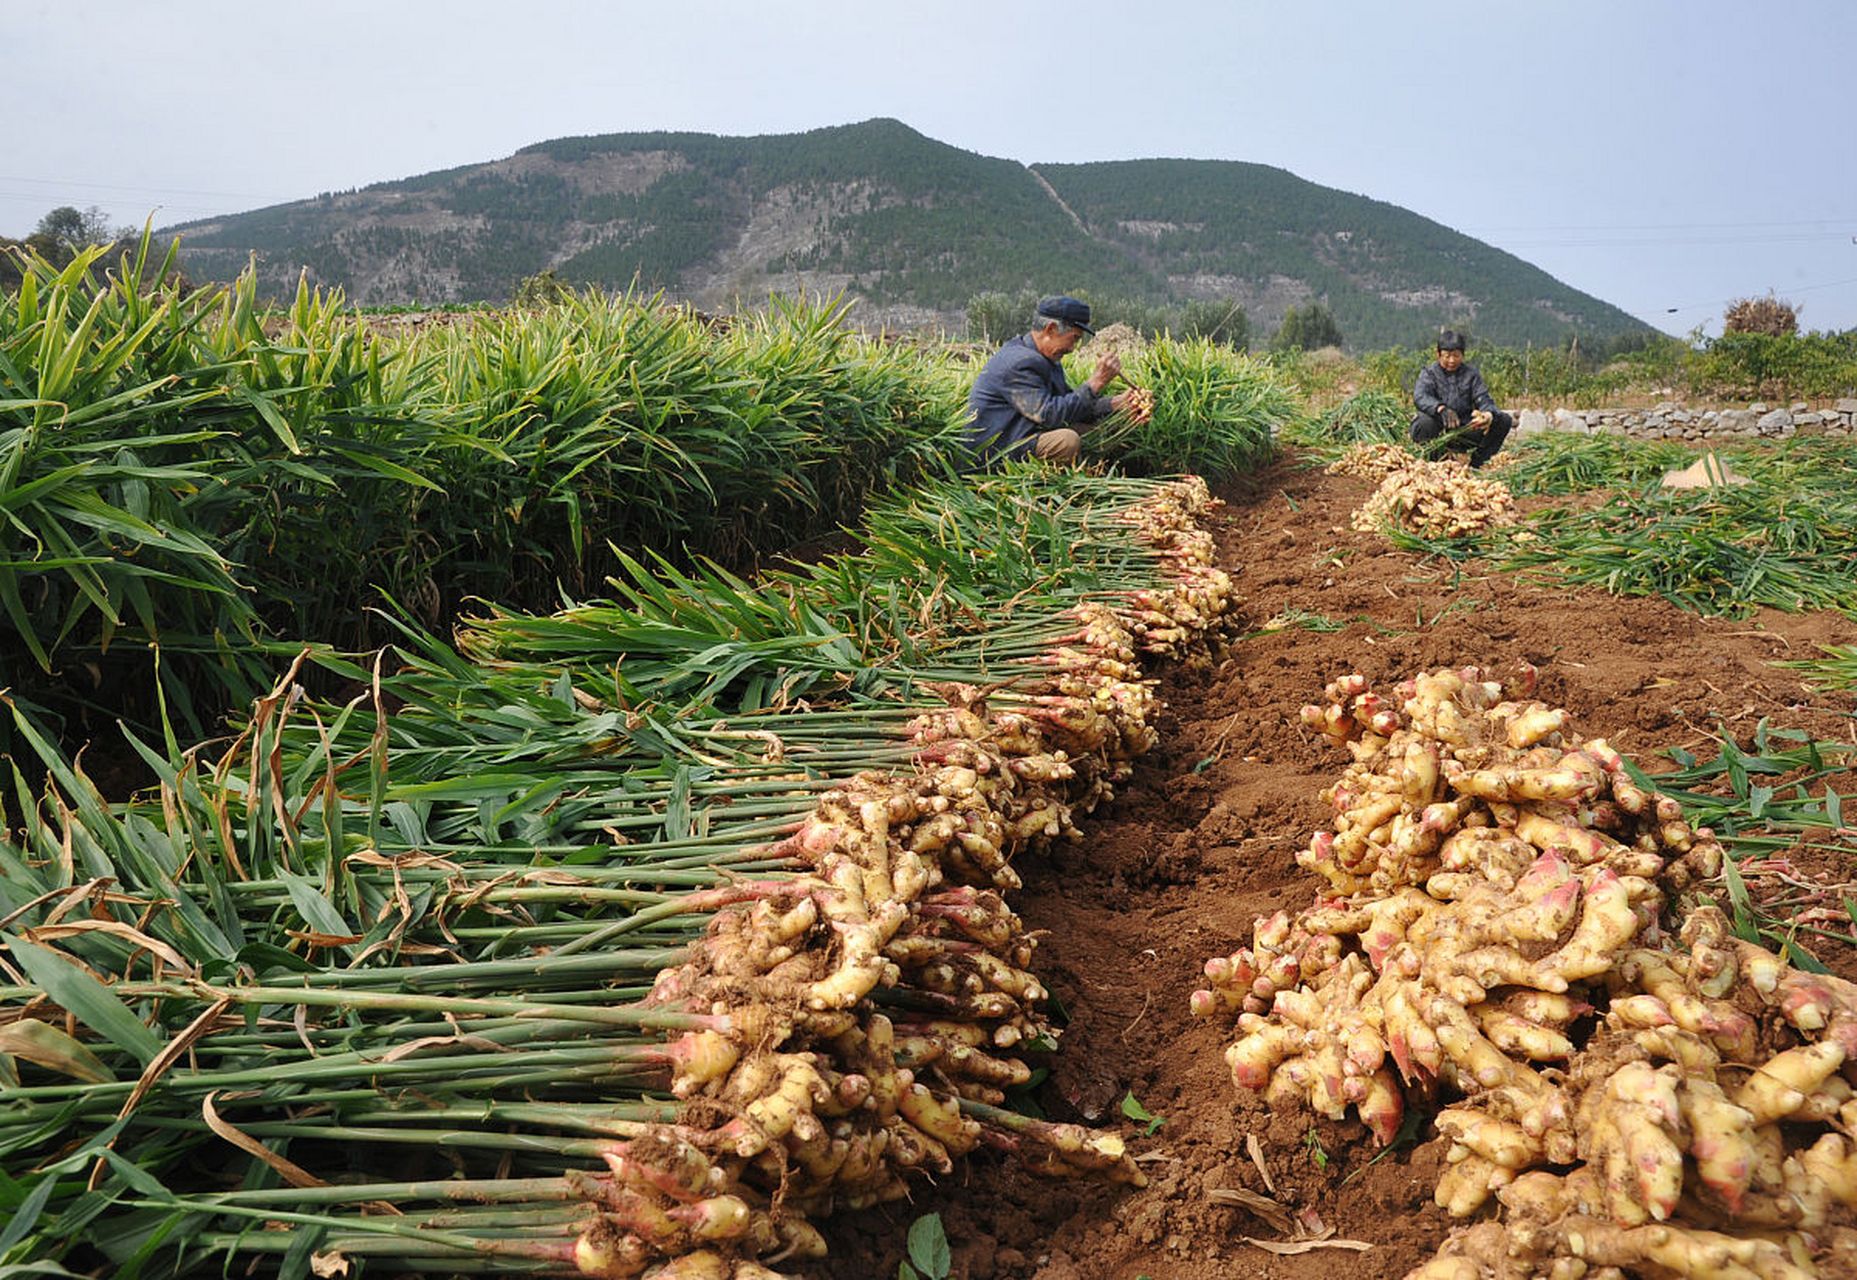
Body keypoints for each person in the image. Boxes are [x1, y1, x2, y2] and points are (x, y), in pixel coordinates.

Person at [965, 296, 1148, 465]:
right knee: (1067, 441)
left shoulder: (1045, 358)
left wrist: (1115, 404)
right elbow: (1050, 415)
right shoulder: (1020, 362)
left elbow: (1068, 406)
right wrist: (1096, 382)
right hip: (994, 452)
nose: (1072, 348)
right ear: (1051, 329)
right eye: (1074, 338)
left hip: (1021, 435)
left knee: (1095, 430)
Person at [1411, 330, 1513, 468]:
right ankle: (1432, 464)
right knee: (1424, 422)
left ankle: (1477, 465)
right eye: (1447, 356)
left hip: (1462, 428)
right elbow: (1420, 396)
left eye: (1456, 356)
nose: (1452, 360)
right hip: (1438, 428)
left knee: (1503, 420)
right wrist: (1440, 408)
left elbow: (1483, 398)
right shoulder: (1429, 373)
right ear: (1438, 354)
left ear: (1463, 355)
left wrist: (1487, 414)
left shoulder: (1471, 375)